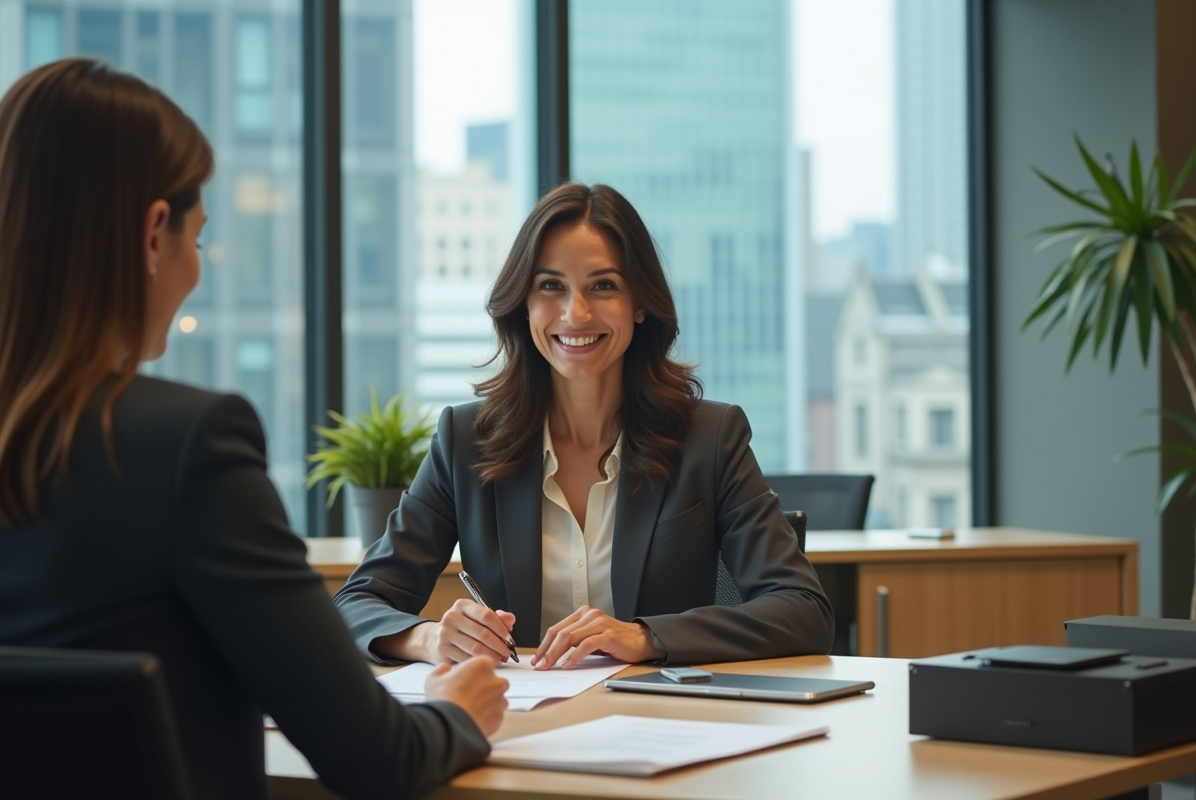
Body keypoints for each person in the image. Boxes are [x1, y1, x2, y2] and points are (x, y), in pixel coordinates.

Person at [0, 59, 507, 800]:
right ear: (151, 236)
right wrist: (456, 713)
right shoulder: (186, 447)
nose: (195, 271)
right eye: (197, 240)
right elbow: (376, 759)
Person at [334, 182, 835, 671]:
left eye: (603, 286)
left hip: (666, 725)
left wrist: (644, 637)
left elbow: (802, 608)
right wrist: (428, 638)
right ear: (523, 305)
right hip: (522, 726)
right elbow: (355, 604)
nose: (576, 313)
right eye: (550, 286)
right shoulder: (465, 441)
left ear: (640, 303)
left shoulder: (711, 438)